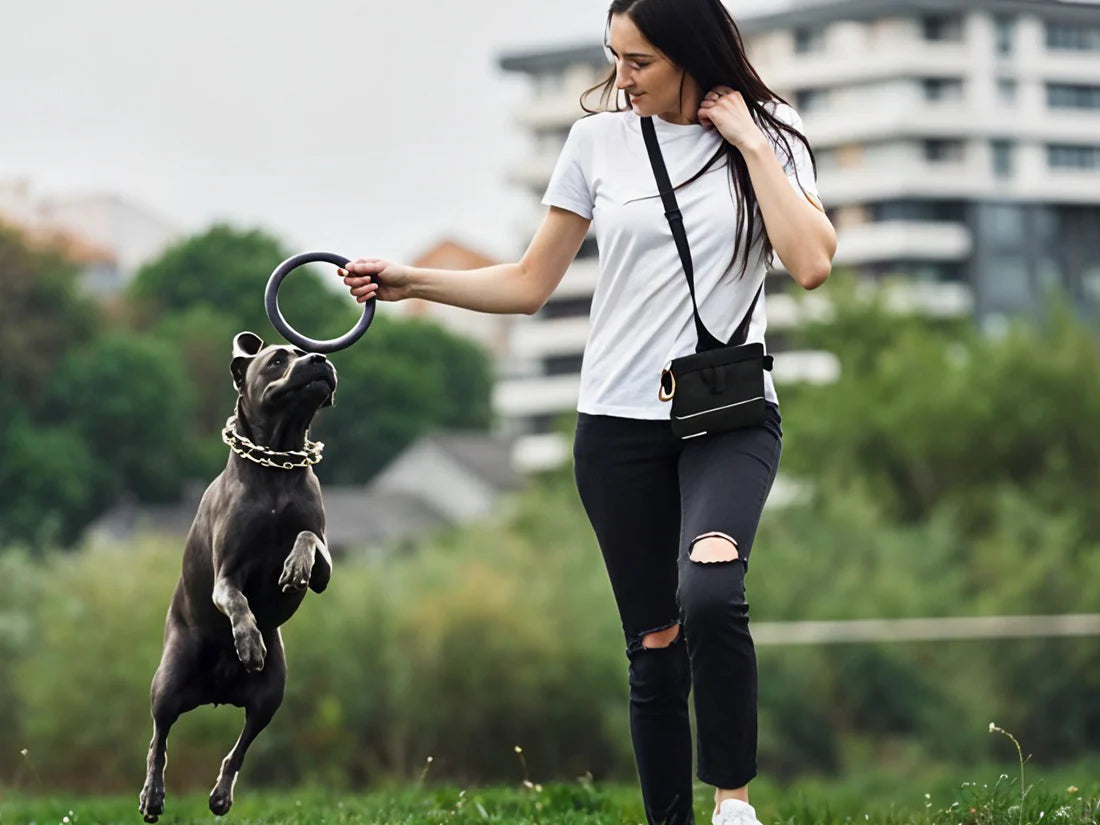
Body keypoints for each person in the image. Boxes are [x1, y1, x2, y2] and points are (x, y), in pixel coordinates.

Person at [340, 1, 836, 822]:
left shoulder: (774, 136)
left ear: (688, 53)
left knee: (712, 590)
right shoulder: (596, 143)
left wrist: (747, 142)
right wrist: (409, 281)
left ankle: (734, 804)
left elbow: (811, 261)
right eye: (614, 57)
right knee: (655, 645)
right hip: (616, 426)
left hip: (728, 416)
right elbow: (529, 283)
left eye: (639, 61)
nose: (621, 78)